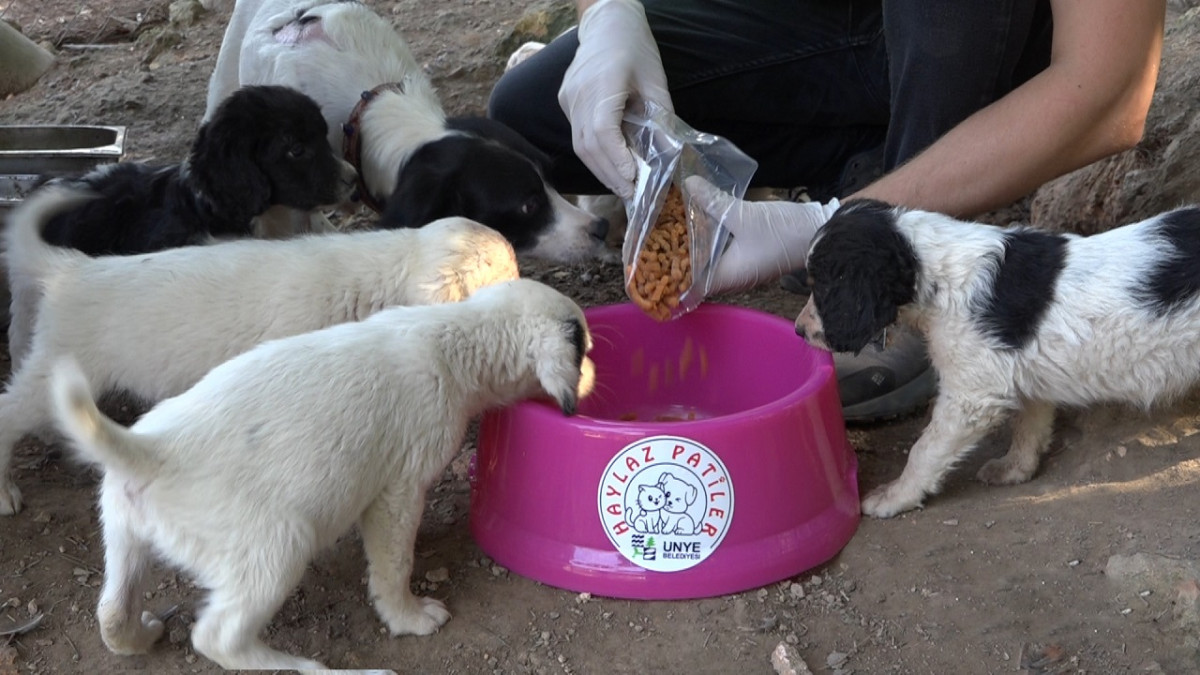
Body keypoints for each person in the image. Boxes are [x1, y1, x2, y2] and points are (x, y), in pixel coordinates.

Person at [489, 0, 1166, 422]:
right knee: (533, 107)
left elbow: (1110, 89)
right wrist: (612, 16)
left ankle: (907, 252)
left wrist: (840, 224)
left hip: (994, 36)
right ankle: (909, 160)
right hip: (842, 25)